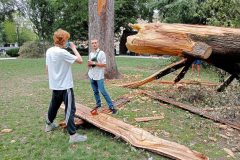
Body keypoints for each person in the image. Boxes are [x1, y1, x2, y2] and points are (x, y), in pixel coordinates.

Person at [45, 29, 87, 143]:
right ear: (63, 40)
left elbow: (47, 68)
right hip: (65, 86)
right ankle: (73, 136)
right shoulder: (62, 52)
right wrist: (73, 48)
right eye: (67, 39)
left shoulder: (49, 51)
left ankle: (48, 125)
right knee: (70, 109)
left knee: (54, 106)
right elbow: (80, 60)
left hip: (55, 85)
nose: (67, 41)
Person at [88, 39, 117, 115]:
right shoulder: (91, 53)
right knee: (95, 91)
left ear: (98, 44)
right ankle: (98, 104)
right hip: (91, 75)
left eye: (95, 43)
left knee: (103, 91)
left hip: (99, 76)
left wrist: (94, 62)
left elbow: (104, 64)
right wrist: (89, 64)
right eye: (92, 43)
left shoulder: (101, 53)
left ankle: (111, 107)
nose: (94, 44)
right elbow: (89, 65)